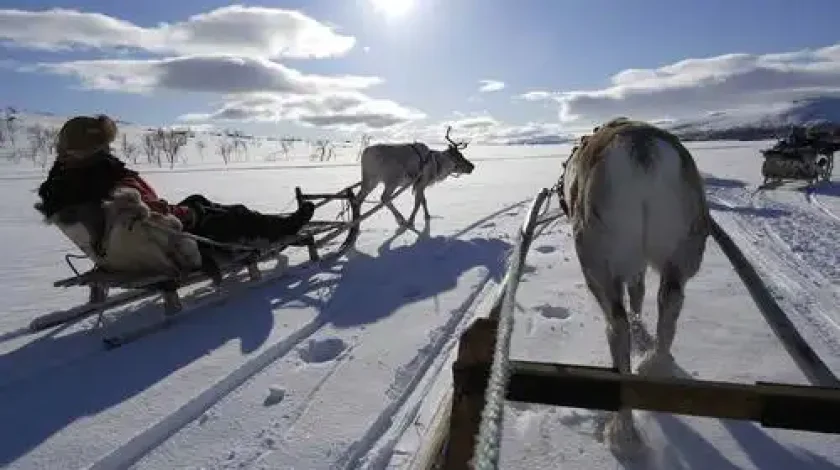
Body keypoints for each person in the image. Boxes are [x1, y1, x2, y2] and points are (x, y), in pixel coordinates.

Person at [35, 114, 316, 275]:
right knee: (234, 214)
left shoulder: (62, 183)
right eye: (104, 144)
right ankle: (285, 227)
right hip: (168, 236)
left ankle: (252, 220)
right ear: (95, 148)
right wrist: (187, 214)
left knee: (199, 200)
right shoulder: (108, 181)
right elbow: (151, 214)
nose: (109, 149)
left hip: (120, 246)